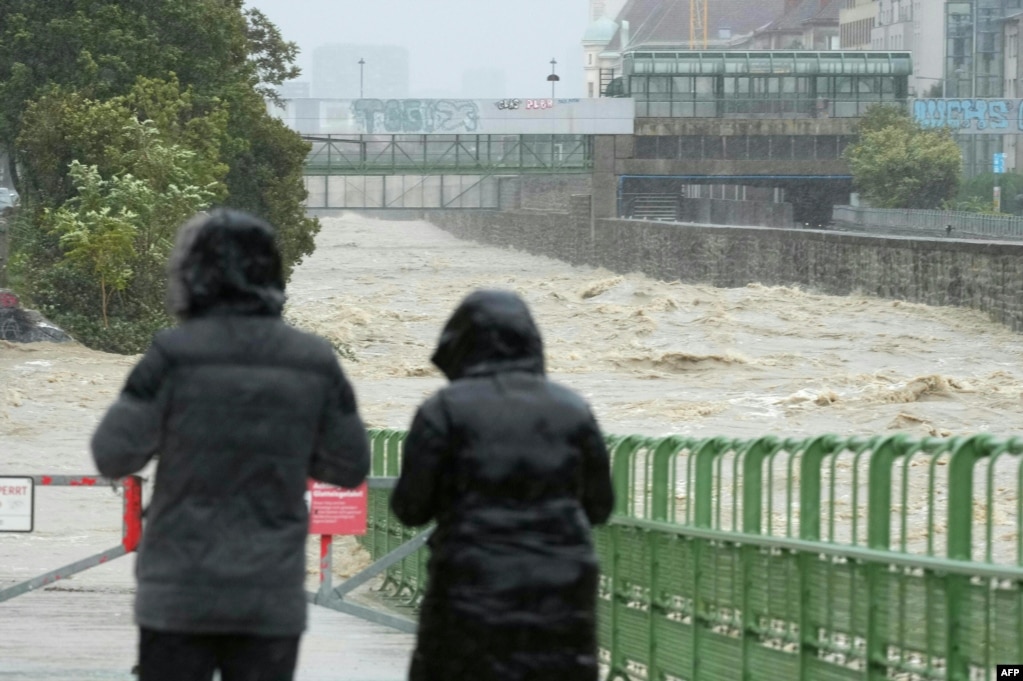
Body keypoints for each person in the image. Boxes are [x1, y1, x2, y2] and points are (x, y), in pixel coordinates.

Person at [91, 208, 370, 681]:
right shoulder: (313, 360)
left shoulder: (173, 355)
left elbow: (114, 453)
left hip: (178, 593)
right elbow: (349, 465)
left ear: (191, 274)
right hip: (269, 594)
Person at [391, 289, 614, 681]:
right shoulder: (573, 409)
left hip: (469, 587)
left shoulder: (443, 409)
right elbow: (600, 506)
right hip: (559, 590)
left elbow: (410, 508)